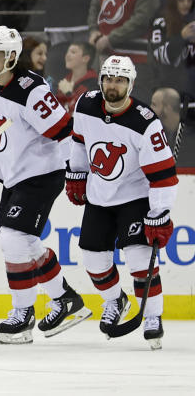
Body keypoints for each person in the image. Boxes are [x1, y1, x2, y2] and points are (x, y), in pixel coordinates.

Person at [0, 26, 92, 345]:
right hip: (12, 175)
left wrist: (76, 172)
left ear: (11, 57)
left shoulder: (31, 89)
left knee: (12, 238)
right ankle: (66, 300)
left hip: (41, 173)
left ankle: (22, 314)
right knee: (24, 243)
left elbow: (64, 132)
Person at [66, 55, 178, 350]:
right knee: (93, 261)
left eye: (120, 80)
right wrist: (77, 173)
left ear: (130, 83)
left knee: (141, 262)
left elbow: (164, 175)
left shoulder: (145, 122)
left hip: (135, 198)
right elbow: (78, 140)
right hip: (99, 196)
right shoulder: (85, 104)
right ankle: (115, 300)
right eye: (108, 78)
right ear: (100, 79)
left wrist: (160, 214)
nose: (112, 85)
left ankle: (153, 316)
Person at [87, 0, 161, 103]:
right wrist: (93, 30)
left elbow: (141, 21)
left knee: (136, 104)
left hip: (136, 59)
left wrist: (111, 38)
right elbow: (94, 7)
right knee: (105, 104)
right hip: (105, 56)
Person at [149, 0, 195, 99]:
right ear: (174, 0)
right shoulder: (160, 22)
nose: (186, 4)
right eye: (181, 0)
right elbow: (162, 56)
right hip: (167, 89)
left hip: (191, 90)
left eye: (189, 0)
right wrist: (182, 37)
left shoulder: (192, 23)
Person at [151, 87, 195, 166]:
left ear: (167, 108)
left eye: (154, 104)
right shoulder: (159, 134)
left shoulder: (189, 142)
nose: (150, 108)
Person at [56, 42, 98, 114]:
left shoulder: (94, 85)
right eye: (67, 52)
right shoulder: (65, 80)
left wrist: (68, 94)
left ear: (85, 58)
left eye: (73, 52)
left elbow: (84, 110)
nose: (67, 55)